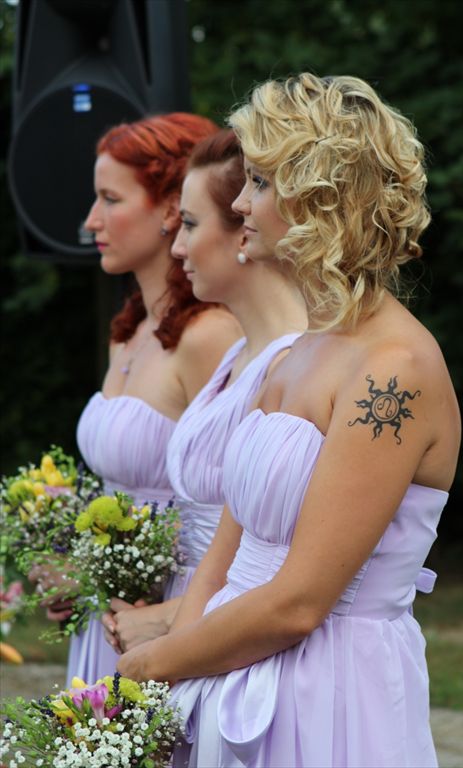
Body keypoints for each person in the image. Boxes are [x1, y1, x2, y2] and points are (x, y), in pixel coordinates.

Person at [117, 74, 461, 768]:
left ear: (321, 198)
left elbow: (300, 603)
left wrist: (150, 666)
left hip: (331, 696)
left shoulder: (396, 370)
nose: (241, 203)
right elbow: (224, 558)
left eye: (261, 182)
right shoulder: (294, 351)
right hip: (225, 672)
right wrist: (167, 696)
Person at [31, 112, 242, 686]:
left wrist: (156, 602)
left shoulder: (211, 337)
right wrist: (79, 572)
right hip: (111, 611)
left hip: (171, 608)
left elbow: (236, 498)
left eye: (110, 199)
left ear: (171, 208)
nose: (90, 221)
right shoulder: (127, 333)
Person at [101, 128, 308, 654]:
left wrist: (168, 621)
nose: (176, 247)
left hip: (226, 631)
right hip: (188, 613)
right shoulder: (237, 356)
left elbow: (290, 556)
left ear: (244, 231)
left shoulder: (292, 361)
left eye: (190, 225)